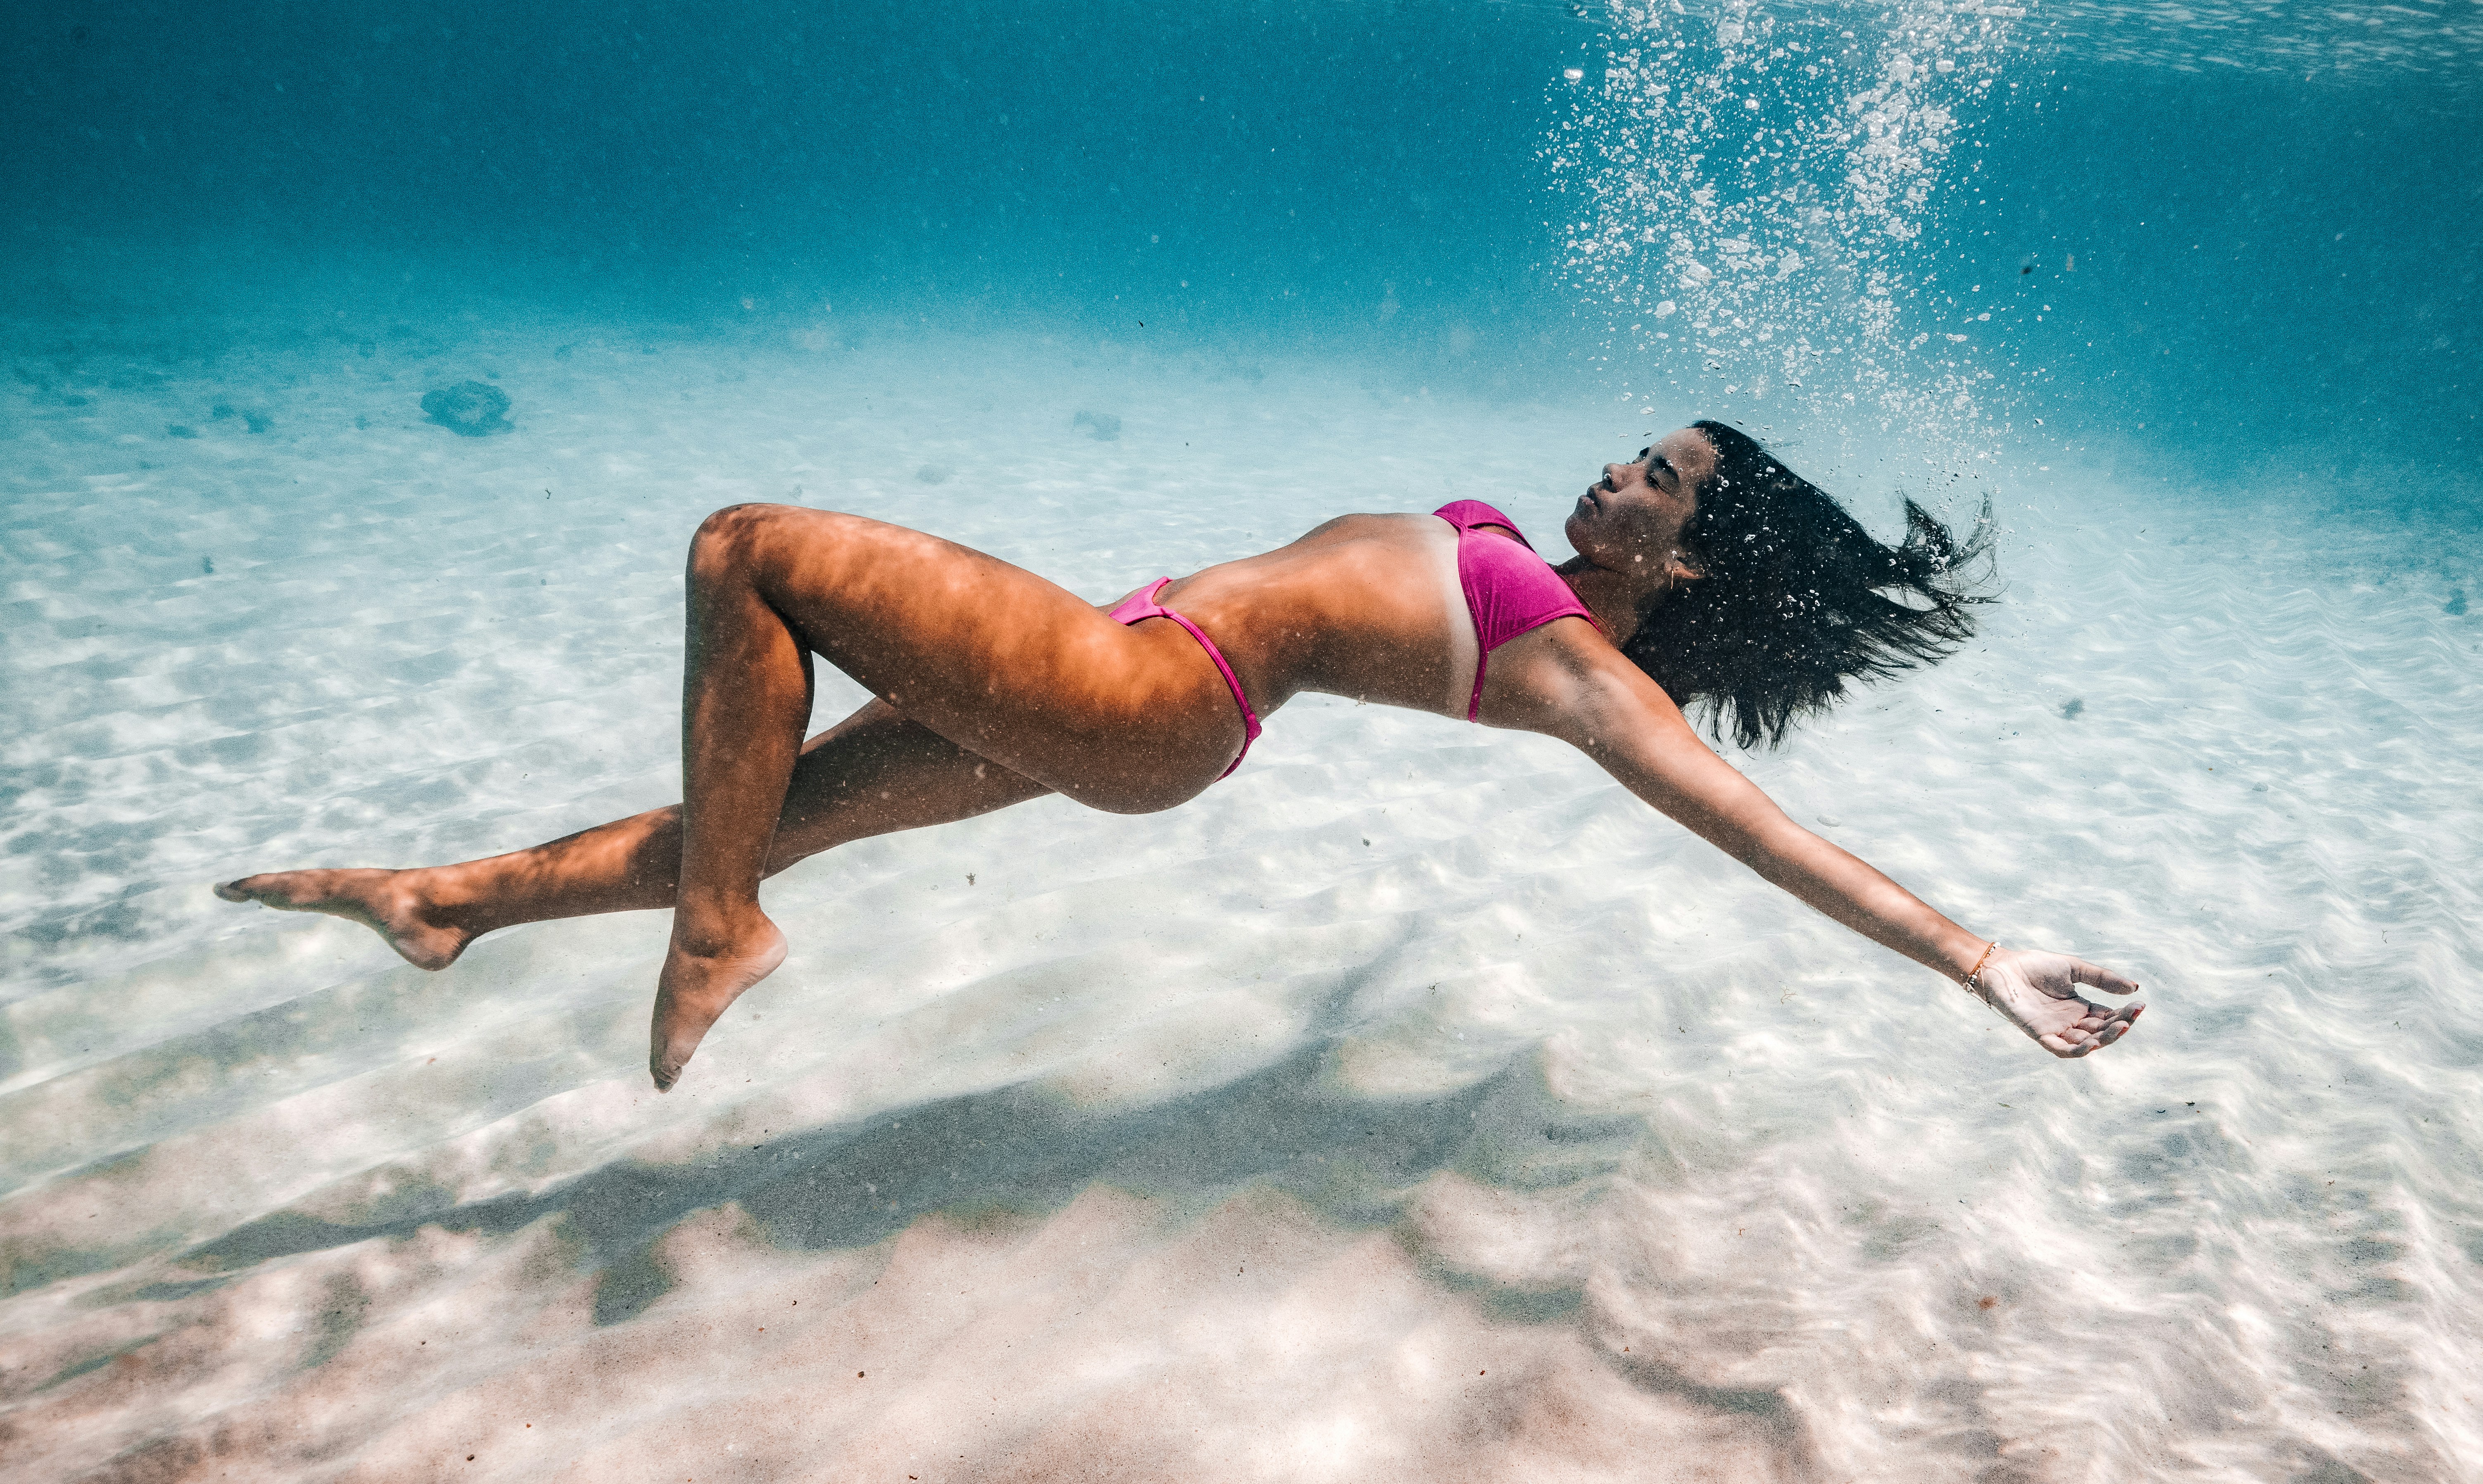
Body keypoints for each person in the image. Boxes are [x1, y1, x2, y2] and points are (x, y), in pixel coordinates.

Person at [218, 421, 2145, 1089]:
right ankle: (451, 901)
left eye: (1664, 478)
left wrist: (1976, 953)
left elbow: (1753, 822)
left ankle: (713, 927)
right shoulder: (1550, 578)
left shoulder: (1577, 665)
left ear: (1697, 553)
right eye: (1647, 450)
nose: (1624, 471)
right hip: (1125, 682)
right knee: (752, 806)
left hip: (1152, 701)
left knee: (746, 549)